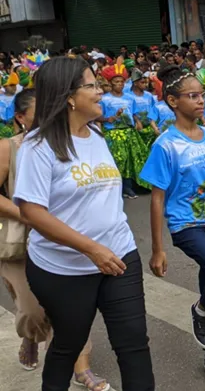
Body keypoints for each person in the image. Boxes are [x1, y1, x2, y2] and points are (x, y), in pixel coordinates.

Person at [15, 56, 154, 390]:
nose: (100, 92)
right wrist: (91, 249)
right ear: (69, 96)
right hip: (63, 269)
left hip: (119, 256)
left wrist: (107, 248)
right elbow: (32, 212)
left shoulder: (96, 136)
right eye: (91, 85)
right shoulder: (38, 146)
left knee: (134, 344)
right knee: (68, 344)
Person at [0, 89, 113, 391]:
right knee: (33, 311)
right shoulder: (9, 148)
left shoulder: (72, 141)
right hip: (21, 244)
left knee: (71, 308)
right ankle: (31, 337)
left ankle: (82, 367)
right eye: (41, 111)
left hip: (68, 240)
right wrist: (29, 214)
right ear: (21, 118)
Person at [141, 65, 205, 381]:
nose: (201, 101)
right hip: (187, 227)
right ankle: (200, 311)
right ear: (172, 101)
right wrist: (158, 250)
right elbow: (157, 199)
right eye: (192, 96)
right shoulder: (165, 145)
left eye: (203, 95)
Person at [98, 63, 150, 199]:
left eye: (121, 81)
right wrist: (107, 120)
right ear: (110, 83)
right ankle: (117, 188)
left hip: (129, 132)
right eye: (116, 82)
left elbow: (133, 114)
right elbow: (97, 117)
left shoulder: (130, 98)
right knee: (118, 160)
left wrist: (138, 122)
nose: (120, 84)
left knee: (132, 160)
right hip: (113, 133)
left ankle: (129, 187)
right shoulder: (104, 99)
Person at [128, 70, 160, 147]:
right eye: (142, 83)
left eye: (146, 83)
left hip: (149, 128)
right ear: (135, 83)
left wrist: (154, 126)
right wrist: (137, 122)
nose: (145, 85)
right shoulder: (129, 96)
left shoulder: (149, 95)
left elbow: (152, 110)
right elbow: (129, 111)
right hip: (136, 128)